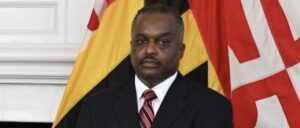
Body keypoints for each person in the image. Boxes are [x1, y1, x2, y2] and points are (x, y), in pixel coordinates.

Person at [76, 4, 233, 128]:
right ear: (131, 47)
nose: (150, 50)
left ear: (181, 51)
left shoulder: (213, 108)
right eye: (141, 41)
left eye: (162, 42)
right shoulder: (96, 107)